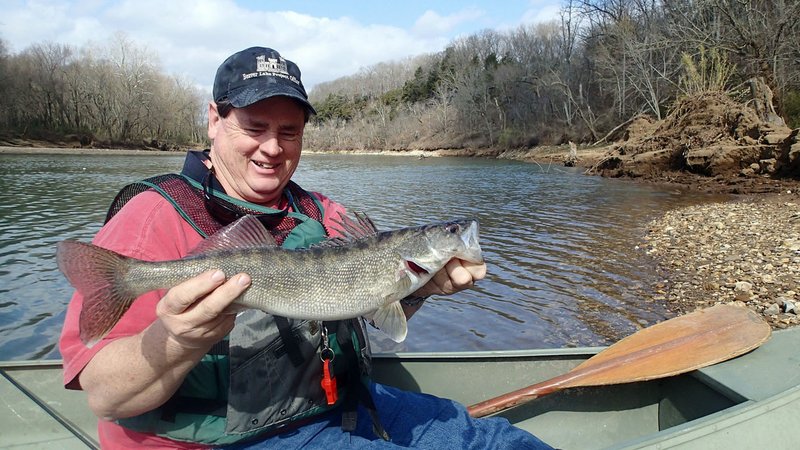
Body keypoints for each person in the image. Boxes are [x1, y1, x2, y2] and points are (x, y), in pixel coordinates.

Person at [59, 46, 552, 449]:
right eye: (255, 127)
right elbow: (103, 396)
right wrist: (180, 339)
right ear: (214, 120)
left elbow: (370, 318)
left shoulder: (324, 215)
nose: (272, 148)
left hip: (335, 407)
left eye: (288, 131)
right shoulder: (152, 217)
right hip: (221, 441)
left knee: (492, 441)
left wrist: (418, 291)